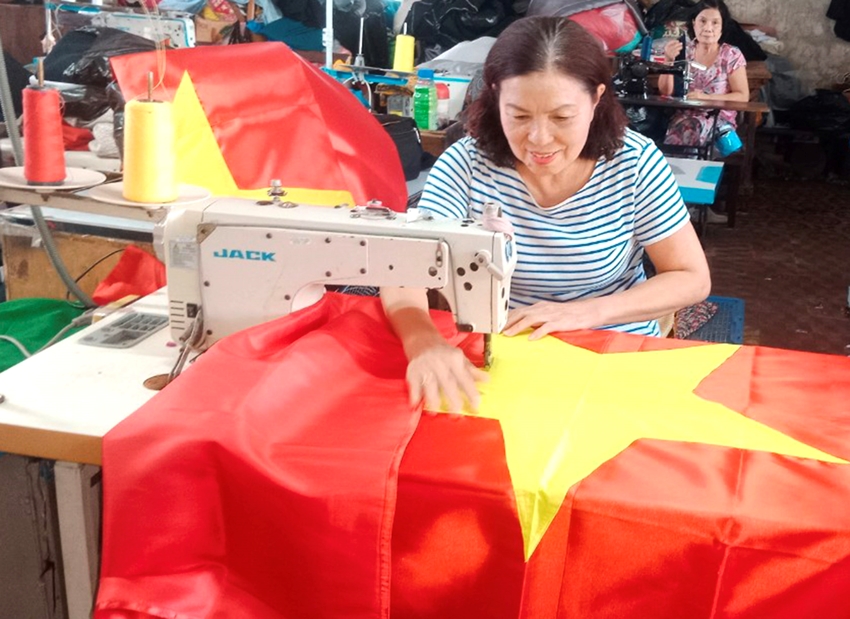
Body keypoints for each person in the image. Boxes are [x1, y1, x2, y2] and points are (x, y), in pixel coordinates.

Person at [380, 16, 711, 413]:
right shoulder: (467, 165)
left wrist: (585, 312)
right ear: (495, 97)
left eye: (561, 117)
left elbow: (691, 277)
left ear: (596, 99)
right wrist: (424, 343)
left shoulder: (634, 164)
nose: (539, 139)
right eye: (519, 116)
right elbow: (403, 271)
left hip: (612, 348)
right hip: (504, 351)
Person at [658, 0, 749, 159]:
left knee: (693, 127)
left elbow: (742, 96)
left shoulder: (730, 55)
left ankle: (684, 174)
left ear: (722, 26)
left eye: (715, 23)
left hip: (718, 119)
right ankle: (677, 173)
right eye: (702, 21)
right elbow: (666, 91)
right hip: (684, 116)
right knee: (685, 125)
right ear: (694, 23)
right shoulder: (684, 51)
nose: (708, 28)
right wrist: (668, 61)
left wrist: (706, 98)